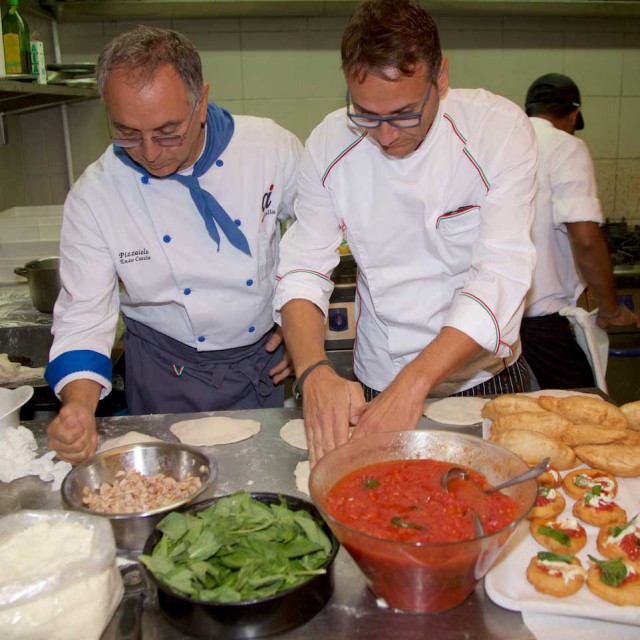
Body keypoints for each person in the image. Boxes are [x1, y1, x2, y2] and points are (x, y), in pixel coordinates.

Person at [274, 0, 539, 464]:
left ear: (441, 78)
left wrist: (414, 385)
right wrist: (314, 370)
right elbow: (301, 269)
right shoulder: (329, 144)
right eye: (365, 113)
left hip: (482, 380)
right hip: (380, 375)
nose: (385, 136)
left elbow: (500, 276)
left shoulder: (496, 131)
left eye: (402, 114)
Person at [46, 26, 302, 463]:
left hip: (258, 365)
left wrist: (298, 323)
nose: (148, 151)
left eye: (167, 132)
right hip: (161, 371)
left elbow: (315, 235)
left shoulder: (269, 148)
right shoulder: (96, 193)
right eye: (126, 133)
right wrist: (77, 406)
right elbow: (83, 315)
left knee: (261, 480)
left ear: (201, 101)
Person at [521, 73, 639, 389]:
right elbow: (586, 239)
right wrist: (611, 310)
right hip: (539, 323)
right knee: (584, 414)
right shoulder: (566, 146)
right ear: (573, 114)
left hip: (493, 323)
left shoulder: (503, 142)